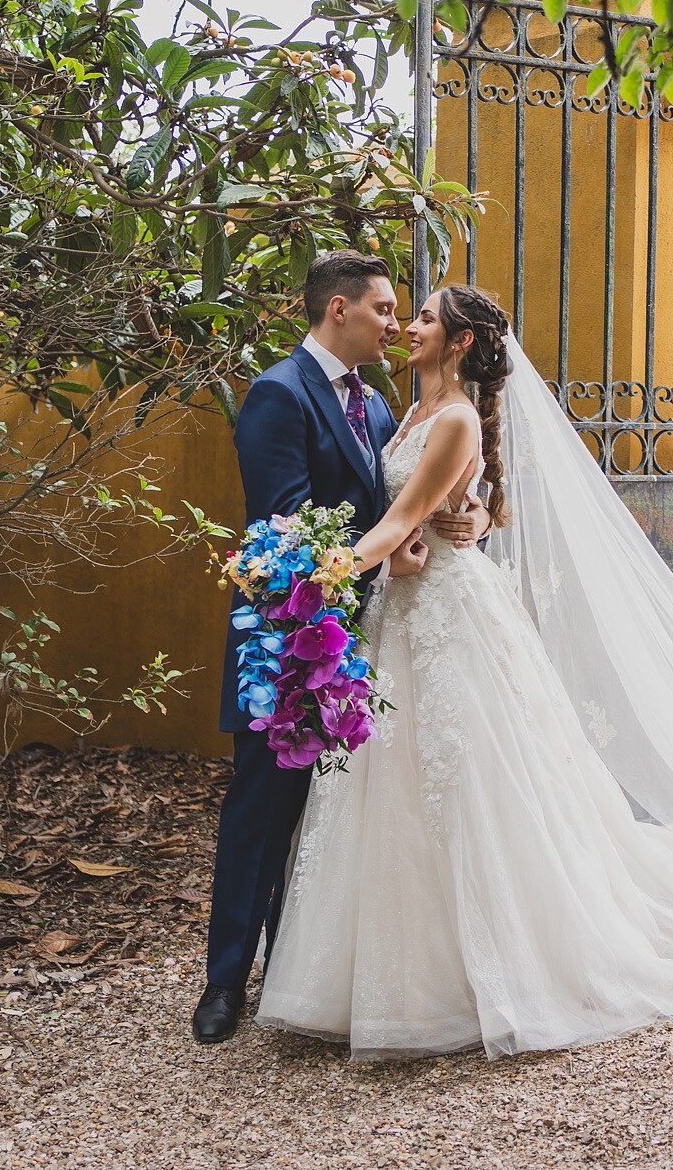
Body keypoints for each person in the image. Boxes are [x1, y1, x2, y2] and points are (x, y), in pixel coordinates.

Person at [250, 285, 673, 1060]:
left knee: (468, 779)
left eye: (423, 318)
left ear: (456, 342)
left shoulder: (449, 420)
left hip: (448, 612)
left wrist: (323, 573)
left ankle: (474, 970)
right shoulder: (402, 412)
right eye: (401, 314)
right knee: (393, 785)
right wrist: (450, 525)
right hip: (405, 613)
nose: (407, 326)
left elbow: (399, 517)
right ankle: (375, 975)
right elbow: (429, 510)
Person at [195, 253, 486, 1045]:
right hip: (287, 642)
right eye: (385, 310)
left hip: (363, 638)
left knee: (329, 814)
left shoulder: (381, 406)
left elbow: (414, 493)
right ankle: (224, 984)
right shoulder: (277, 394)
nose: (396, 324)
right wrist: (389, 549)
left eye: (405, 313)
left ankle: (300, 970)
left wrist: (468, 521)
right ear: (338, 311)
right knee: (260, 811)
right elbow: (283, 522)